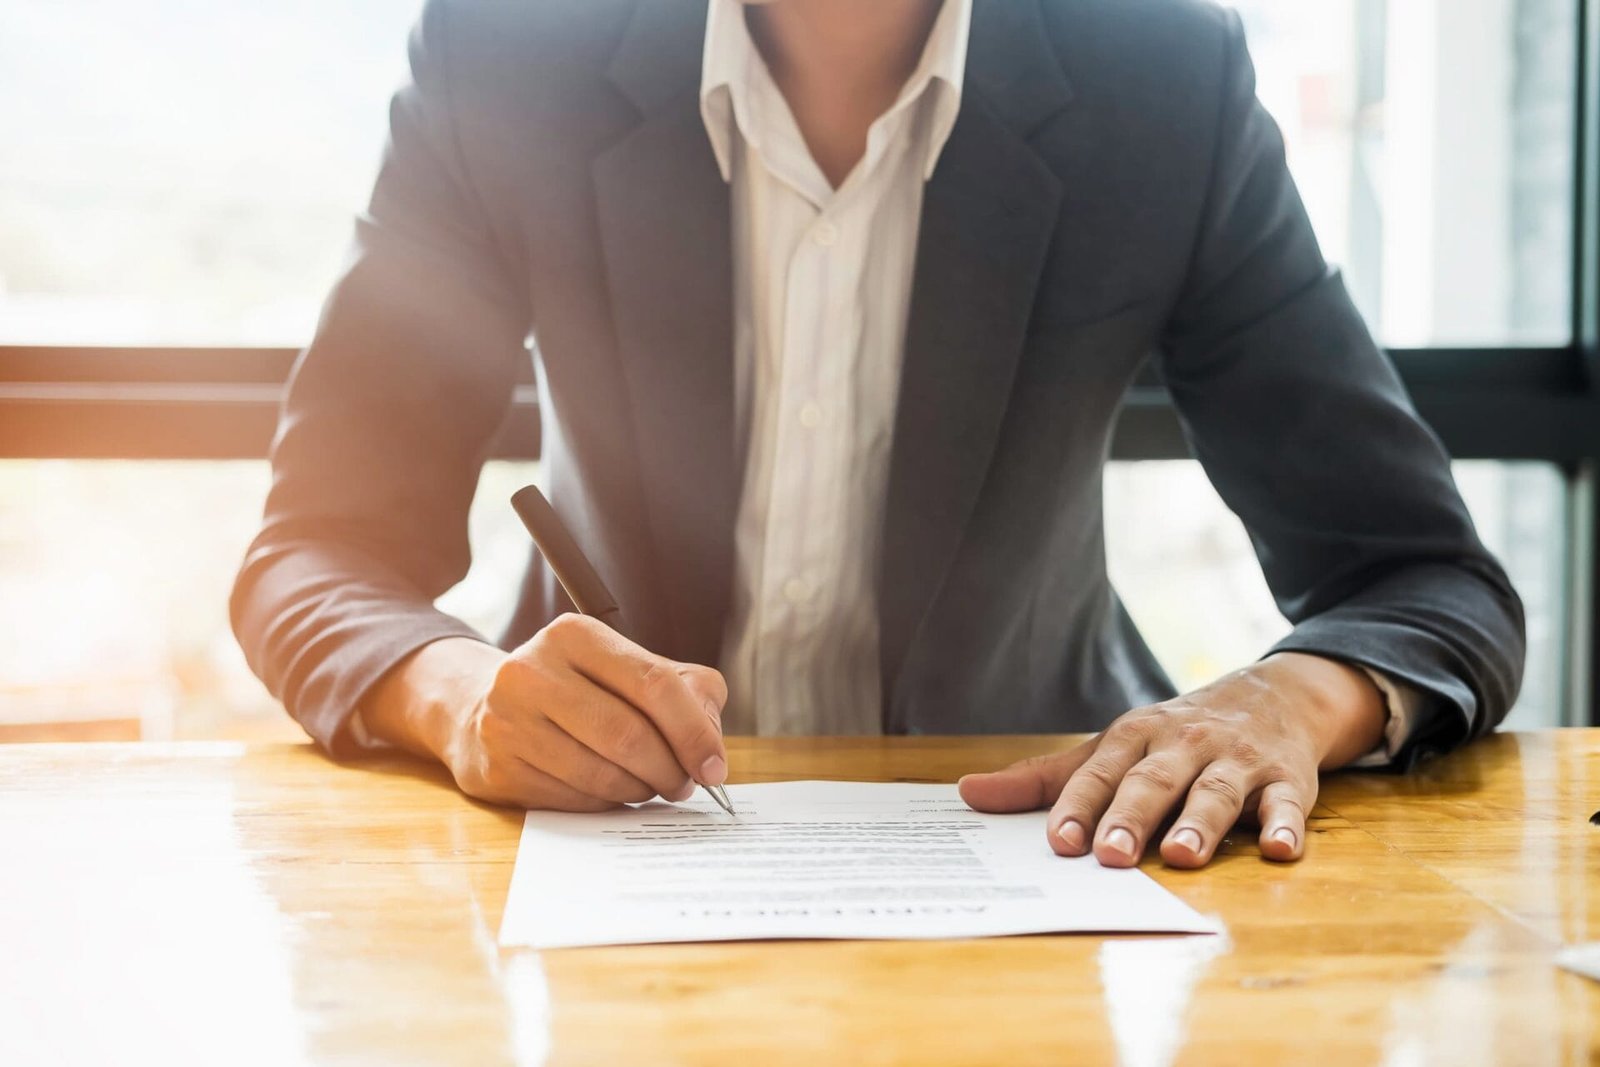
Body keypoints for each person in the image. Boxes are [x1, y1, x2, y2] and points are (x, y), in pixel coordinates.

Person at [231, 0, 1525, 870]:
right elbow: (315, 555)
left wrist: (1282, 703)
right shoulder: (512, 52)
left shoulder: (1158, 73)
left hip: (1046, 851)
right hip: (603, 850)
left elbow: (1424, 583)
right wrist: (459, 697)